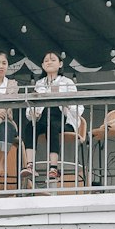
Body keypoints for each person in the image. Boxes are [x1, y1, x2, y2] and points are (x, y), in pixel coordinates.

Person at [23, 52, 83, 185]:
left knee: (52, 125)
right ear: (43, 65)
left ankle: (53, 168)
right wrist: (34, 112)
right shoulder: (39, 83)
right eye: (46, 61)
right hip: (43, 119)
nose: (49, 62)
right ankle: (30, 165)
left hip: (63, 119)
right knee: (29, 127)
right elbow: (30, 108)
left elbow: (78, 106)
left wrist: (64, 102)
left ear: (60, 64)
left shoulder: (67, 82)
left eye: (53, 60)